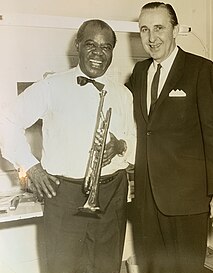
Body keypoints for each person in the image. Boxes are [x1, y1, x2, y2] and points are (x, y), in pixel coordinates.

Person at [0, 19, 136, 273]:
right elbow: (5, 120)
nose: (98, 53)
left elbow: (135, 139)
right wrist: (31, 167)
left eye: (106, 47)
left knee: (107, 268)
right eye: (90, 45)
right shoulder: (52, 86)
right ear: (78, 46)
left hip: (113, 194)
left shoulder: (123, 94)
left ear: (112, 52)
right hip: (65, 195)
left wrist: (121, 145)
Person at [125, 2, 213, 273]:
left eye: (159, 28)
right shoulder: (140, 72)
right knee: (154, 268)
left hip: (188, 199)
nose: (152, 38)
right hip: (147, 198)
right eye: (144, 29)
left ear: (175, 30)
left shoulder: (201, 69)